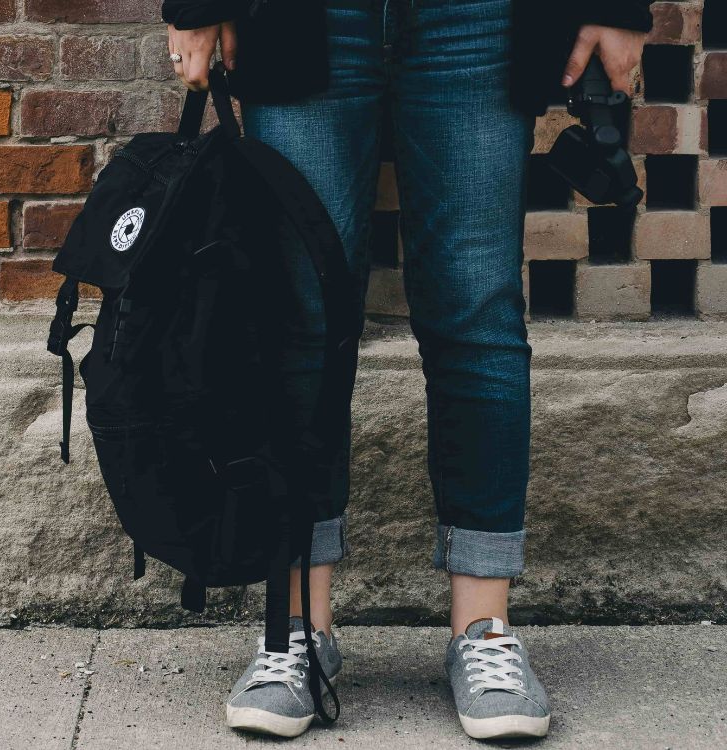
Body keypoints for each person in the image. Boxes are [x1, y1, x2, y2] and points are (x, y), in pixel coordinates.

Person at [162, 0, 651, 740]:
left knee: (478, 314)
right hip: (301, 13)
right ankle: (296, 630)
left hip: (479, 15)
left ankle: (484, 631)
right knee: (300, 320)